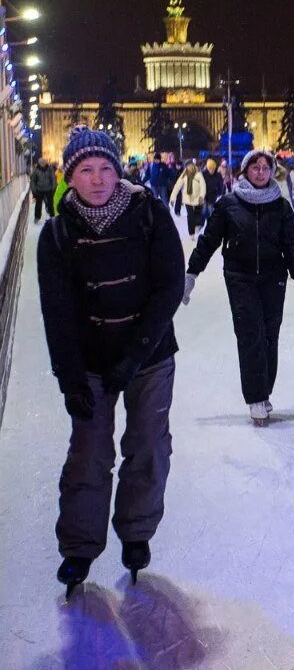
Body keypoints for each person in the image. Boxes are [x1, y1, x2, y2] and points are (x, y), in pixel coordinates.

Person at [37, 125, 184, 596]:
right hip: (92, 362)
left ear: (118, 173)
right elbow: (57, 314)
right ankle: (79, 547)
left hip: (150, 355)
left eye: (105, 169)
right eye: (86, 170)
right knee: (89, 452)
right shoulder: (57, 234)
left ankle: (136, 531)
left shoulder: (149, 214)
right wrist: (70, 381)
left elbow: (169, 287)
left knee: (148, 445)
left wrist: (136, 356)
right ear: (70, 176)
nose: (97, 179)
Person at [184, 149, 294, 425]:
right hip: (239, 277)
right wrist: (192, 273)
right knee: (250, 334)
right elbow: (208, 241)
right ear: (245, 171)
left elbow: (291, 246)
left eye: (265, 168)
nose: (260, 172)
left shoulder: (281, 206)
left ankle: (264, 391)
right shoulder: (229, 204)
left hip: (273, 278)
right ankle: (255, 397)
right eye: (255, 167)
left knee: (270, 336)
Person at [169, 160, 207, 240]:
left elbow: (203, 186)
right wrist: (172, 198)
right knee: (190, 216)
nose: (189, 168)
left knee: (197, 214)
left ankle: (197, 225)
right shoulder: (184, 174)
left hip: (197, 198)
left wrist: (201, 196)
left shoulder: (198, 174)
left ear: (193, 166)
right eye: (187, 166)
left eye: (190, 166)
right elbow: (177, 185)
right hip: (187, 198)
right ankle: (191, 233)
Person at [30, 156, 57, 221]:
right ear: (39, 163)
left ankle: (52, 216)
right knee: (38, 204)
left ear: (45, 163)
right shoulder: (36, 170)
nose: (43, 164)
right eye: (41, 163)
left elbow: (53, 178)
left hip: (48, 189)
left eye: (44, 163)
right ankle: (37, 217)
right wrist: (34, 190)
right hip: (39, 190)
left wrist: (53, 187)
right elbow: (33, 181)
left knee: (50, 204)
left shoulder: (50, 169)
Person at [201, 157, 226, 224]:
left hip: (213, 195)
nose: (211, 170)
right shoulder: (203, 174)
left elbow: (221, 185)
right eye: (210, 169)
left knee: (210, 210)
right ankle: (201, 223)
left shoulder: (218, 175)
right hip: (204, 195)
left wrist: (220, 192)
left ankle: (210, 223)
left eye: (213, 169)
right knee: (203, 210)